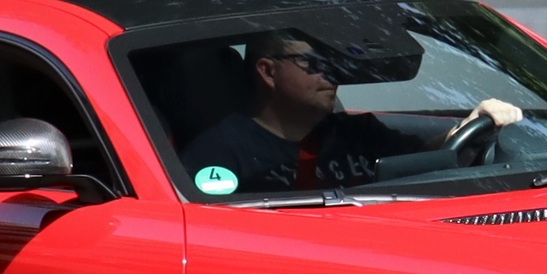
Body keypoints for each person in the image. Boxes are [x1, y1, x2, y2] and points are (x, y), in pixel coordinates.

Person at [182, 30, 522, 193]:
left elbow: (433, 160)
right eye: (313, 64)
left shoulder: (358, 134)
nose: (331, 75)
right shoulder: (220, 152)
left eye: (334, 65)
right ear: (268, 72)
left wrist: (474, 125)